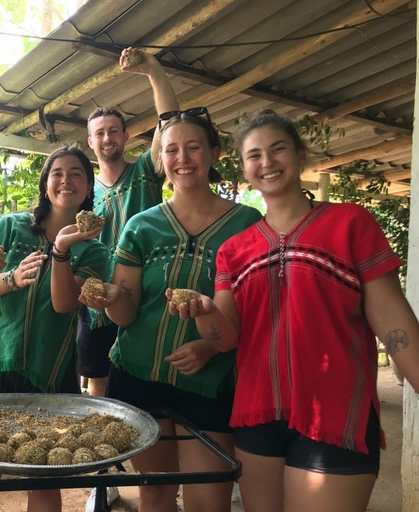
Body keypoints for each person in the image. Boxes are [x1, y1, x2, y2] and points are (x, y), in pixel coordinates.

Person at [169, 109, 419, 512]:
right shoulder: (234, 251)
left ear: (301, 154)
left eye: (277, 149)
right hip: (256, 416)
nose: (266, 163)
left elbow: (393, 324)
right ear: (244, 168)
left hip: (336, 415)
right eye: (254, 156)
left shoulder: (350, 223)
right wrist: (203, 311)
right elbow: (227, 335)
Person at [81, 108, 262, 512]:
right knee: (156, 492)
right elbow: (126, 315)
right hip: (137, 376)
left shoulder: (248, 225)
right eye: (170, 149)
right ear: (160, 160)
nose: (181, 158)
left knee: (208, 497)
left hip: (210, 383)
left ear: (214, 153)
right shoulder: (142, 226)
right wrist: (111, 299)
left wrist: (210, 347)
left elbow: (254, 315)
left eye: (193, 147)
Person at [0, 146, 110, 512]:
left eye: (76, 173)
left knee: (44, 467)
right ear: (45, 183)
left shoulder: (95, 251)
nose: (66, 180)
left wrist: (60, 251)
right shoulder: (12, 226)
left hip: (48, 370)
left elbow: (63, 303)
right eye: (57, 172)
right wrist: (11, 278)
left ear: (89, 186)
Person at [80, 49, 179, 509]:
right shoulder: (84, 191)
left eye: (113, 131)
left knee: (145, 388)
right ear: (90, 141)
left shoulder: (144, 171)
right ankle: (104, 484)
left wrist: (153, 72)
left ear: (125, 136)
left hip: (144, 299)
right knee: (98, 394)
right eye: (98, 133)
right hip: (95, 305)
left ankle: (159, 480)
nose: (106, 139)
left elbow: (171, 123)